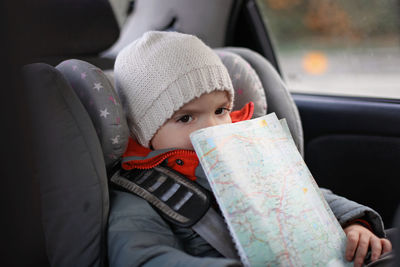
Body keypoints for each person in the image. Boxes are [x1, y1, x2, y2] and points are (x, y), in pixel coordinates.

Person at [108, 31, 392, 267]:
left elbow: (305, 197)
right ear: (144, 130)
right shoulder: (140, 192)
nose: (212, 127)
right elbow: (141, 257)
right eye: (185, 118)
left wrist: (353, 222)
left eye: (220, 110)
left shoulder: (248, 153)